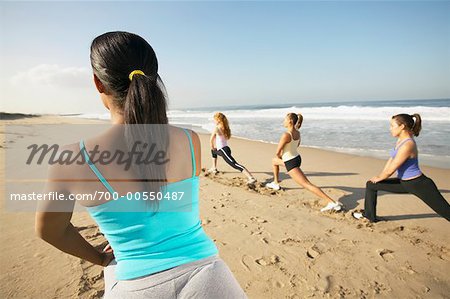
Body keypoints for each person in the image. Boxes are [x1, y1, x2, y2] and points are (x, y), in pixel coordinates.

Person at [35, 31, 247, 298]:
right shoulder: (189, 140)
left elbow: (49, 230)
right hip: (210, 279)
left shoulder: (72, 159)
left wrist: (100, 258)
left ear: (98, 83)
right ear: (154, 80)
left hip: (136, 286)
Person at [354, 113, 450, 222]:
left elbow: (393, 167)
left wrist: (382, 177)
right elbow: (391, 160)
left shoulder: (408, 144)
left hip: (419, 184)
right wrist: (380, 176)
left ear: (402, 126)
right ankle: (369, 216)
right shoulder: (400, 140)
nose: (390, 129)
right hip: (404, 183)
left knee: (446, 212)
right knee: (371, 185)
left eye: (392, 126)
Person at [266, 113, 343, 212]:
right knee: (274, 161)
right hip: (296, 158)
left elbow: (277, 151)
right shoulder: (297, 132)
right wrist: (283, 156)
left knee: (306, 184)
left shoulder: (286, 134)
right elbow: (296, 145)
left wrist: (281, 155)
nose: (283, 122)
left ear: (290, 121)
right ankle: (276, 183)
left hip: (291, 162)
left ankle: (332, 202)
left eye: (284, 120)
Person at [208, 112, 257, 184]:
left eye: (215, 119)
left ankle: (251, 178)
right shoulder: (225, 127)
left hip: (223, 150)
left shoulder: (217, 128)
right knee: (213, 152)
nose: (214, 121)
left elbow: (211, 139)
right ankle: (214, 168)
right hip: (225, 148)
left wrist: (212, 146)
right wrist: (213, 148)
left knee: (234, 164)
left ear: (218, 120)